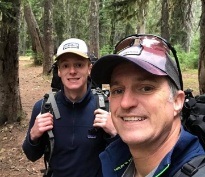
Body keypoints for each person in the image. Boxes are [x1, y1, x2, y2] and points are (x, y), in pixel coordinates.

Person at [91, 34, 205, 177]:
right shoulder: (116, 161)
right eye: (118, 90)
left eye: (146, 88)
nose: (126, 103)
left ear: (177, 101)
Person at [22, 38, 117, 177]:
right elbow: (31, 155)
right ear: (59, 70)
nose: (72, 71)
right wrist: (33, 136)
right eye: (65, 65)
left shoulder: (106, 107)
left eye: (79, 65)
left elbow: (125, 159)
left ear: (89, 68)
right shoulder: (43, 108)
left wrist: (115, 135)